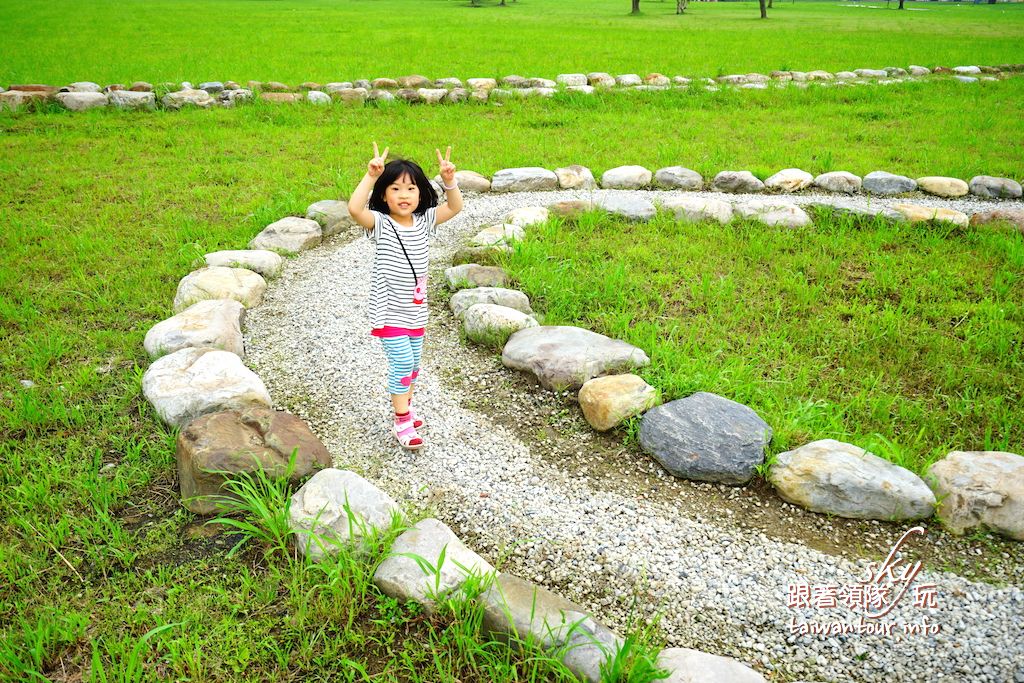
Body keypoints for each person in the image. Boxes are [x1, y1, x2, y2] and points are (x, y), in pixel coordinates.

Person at [347, 143, 463, 450]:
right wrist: (371, 176)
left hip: (416, 311)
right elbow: (355, 209)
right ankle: (402, 422)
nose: (403, 195)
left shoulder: (424, 222)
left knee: (413, 367)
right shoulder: (381, 224)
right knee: (401, 365)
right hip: (389, 313)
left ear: (421, 194)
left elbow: (454, 207)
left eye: (411, 188)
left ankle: (407, 408)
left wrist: (449, 180)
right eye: (395, 188)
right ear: (384, 195)